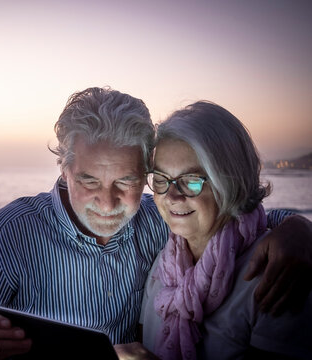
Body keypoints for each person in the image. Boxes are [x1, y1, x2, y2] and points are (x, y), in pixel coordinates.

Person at [0, 87, 311, 360]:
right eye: (89, 181)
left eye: (127, 182)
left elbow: (230, 216)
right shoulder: (9, 234)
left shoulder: (159, 217)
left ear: (145, 172)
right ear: (64, 169)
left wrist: (296, 227)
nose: (107, 202)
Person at [120, 101, 311, 359]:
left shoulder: (274, 276)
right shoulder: (164, 265)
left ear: (230, 182)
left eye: (191, 181)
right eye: (162, 179)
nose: (172, 196)